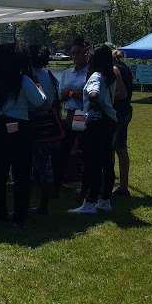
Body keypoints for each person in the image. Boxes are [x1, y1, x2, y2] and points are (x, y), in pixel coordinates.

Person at [0, 44, 47, 224]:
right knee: (21, 173)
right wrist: (39, 87)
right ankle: (20, 215)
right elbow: (39, 102)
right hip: (19, 127)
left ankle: (1, 212)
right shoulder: (22, 80)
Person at [70, 45, 119, 214]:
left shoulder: (96, 76)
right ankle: (105, 200)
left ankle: (90, 202)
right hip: (110, 121)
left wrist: (94, 108)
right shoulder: (110, 75)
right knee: (107, 162)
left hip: (96, 124)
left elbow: (93, 94)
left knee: (93, 164)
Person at [28, 45, 61, 215]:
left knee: (36, 164)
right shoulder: (49, 74)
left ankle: (39, 204)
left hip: (35, 123)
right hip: (49, 122)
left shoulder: (29, 76)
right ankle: (45, 200)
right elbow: (56, 97)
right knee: (46, 164)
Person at [57, 37, 90, 193]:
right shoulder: (66, 73)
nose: (74, 56)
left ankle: (82, 178)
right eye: (72, 53)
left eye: (77, 53)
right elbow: (61, 95)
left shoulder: (90, 73)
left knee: (82, 146)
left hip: (83, 113)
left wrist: (71, 93)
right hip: (70, 113)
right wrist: (71, 94)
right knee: (67, 145)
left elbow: (88, 95)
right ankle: (67, 176)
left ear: (85, 53)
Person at [112, 49, 134, 196]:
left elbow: (121, 93)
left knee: (116, 147)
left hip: (118, 112)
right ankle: (122, 183)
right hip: (125, 110)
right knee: (120, 147)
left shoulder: (114, 69)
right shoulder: (124, 67)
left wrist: (105, 98)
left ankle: (123, 186)